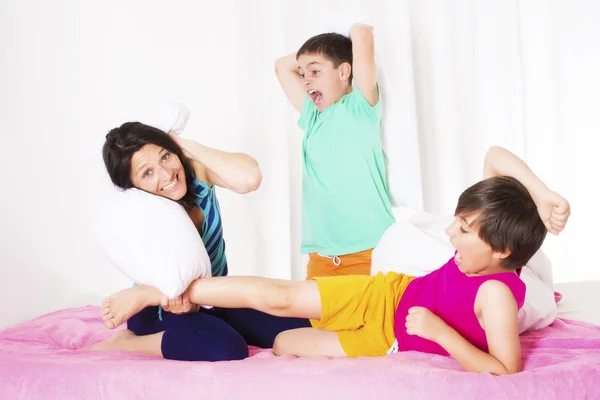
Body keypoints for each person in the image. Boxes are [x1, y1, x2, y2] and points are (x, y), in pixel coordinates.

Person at [100, 146, 570, 374]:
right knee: (279, 296)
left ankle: (178, 305)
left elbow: (505, 371)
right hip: (384, 292)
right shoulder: (487, 245)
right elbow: (494, 156)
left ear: (502, 251)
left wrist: (441, 333)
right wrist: (544, 195)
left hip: (386, 339)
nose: (449, 232)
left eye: (463, 230)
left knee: (284, 345)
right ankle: (156, 292)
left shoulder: (496, 292)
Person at [85, 121, 311, 361]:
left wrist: (184, 145)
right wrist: (168, 300)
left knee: (304, 323)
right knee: (225, 347)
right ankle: (128, 342)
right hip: (160, 307)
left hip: (214, 299)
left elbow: (249, 178)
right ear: (134, 188)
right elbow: (175, 291)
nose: (166, 174)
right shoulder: (145, 214)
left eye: (165, 157)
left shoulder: (195, 175)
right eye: (147, 173)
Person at [274, 23, 395, 279]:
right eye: (303, 74)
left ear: (343, 72)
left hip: (368, 252)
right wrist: (313, 58)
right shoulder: (313, 118)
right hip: (322, 257)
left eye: (315, 72)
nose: (305, 80)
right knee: (314, 321)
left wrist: (337, 41)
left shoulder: (360, 107)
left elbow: (362, 35)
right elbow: (281, 66)